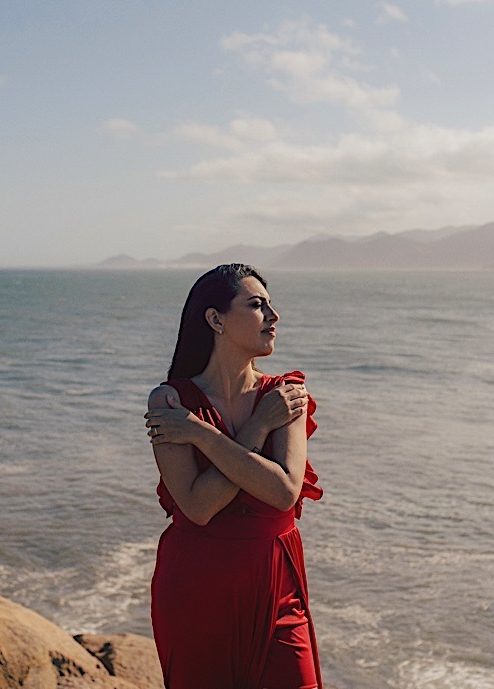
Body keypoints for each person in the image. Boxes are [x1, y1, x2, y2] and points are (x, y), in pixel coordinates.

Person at [144, 263, 323, 689]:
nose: (274, 316)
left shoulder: (286, 394)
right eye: (258, 305)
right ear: (215, 319)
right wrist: (258, 427)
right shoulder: (170, 401)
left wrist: (200, 435)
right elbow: (199, 507)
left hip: (277, 590)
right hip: (197, 593)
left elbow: (282, 491)